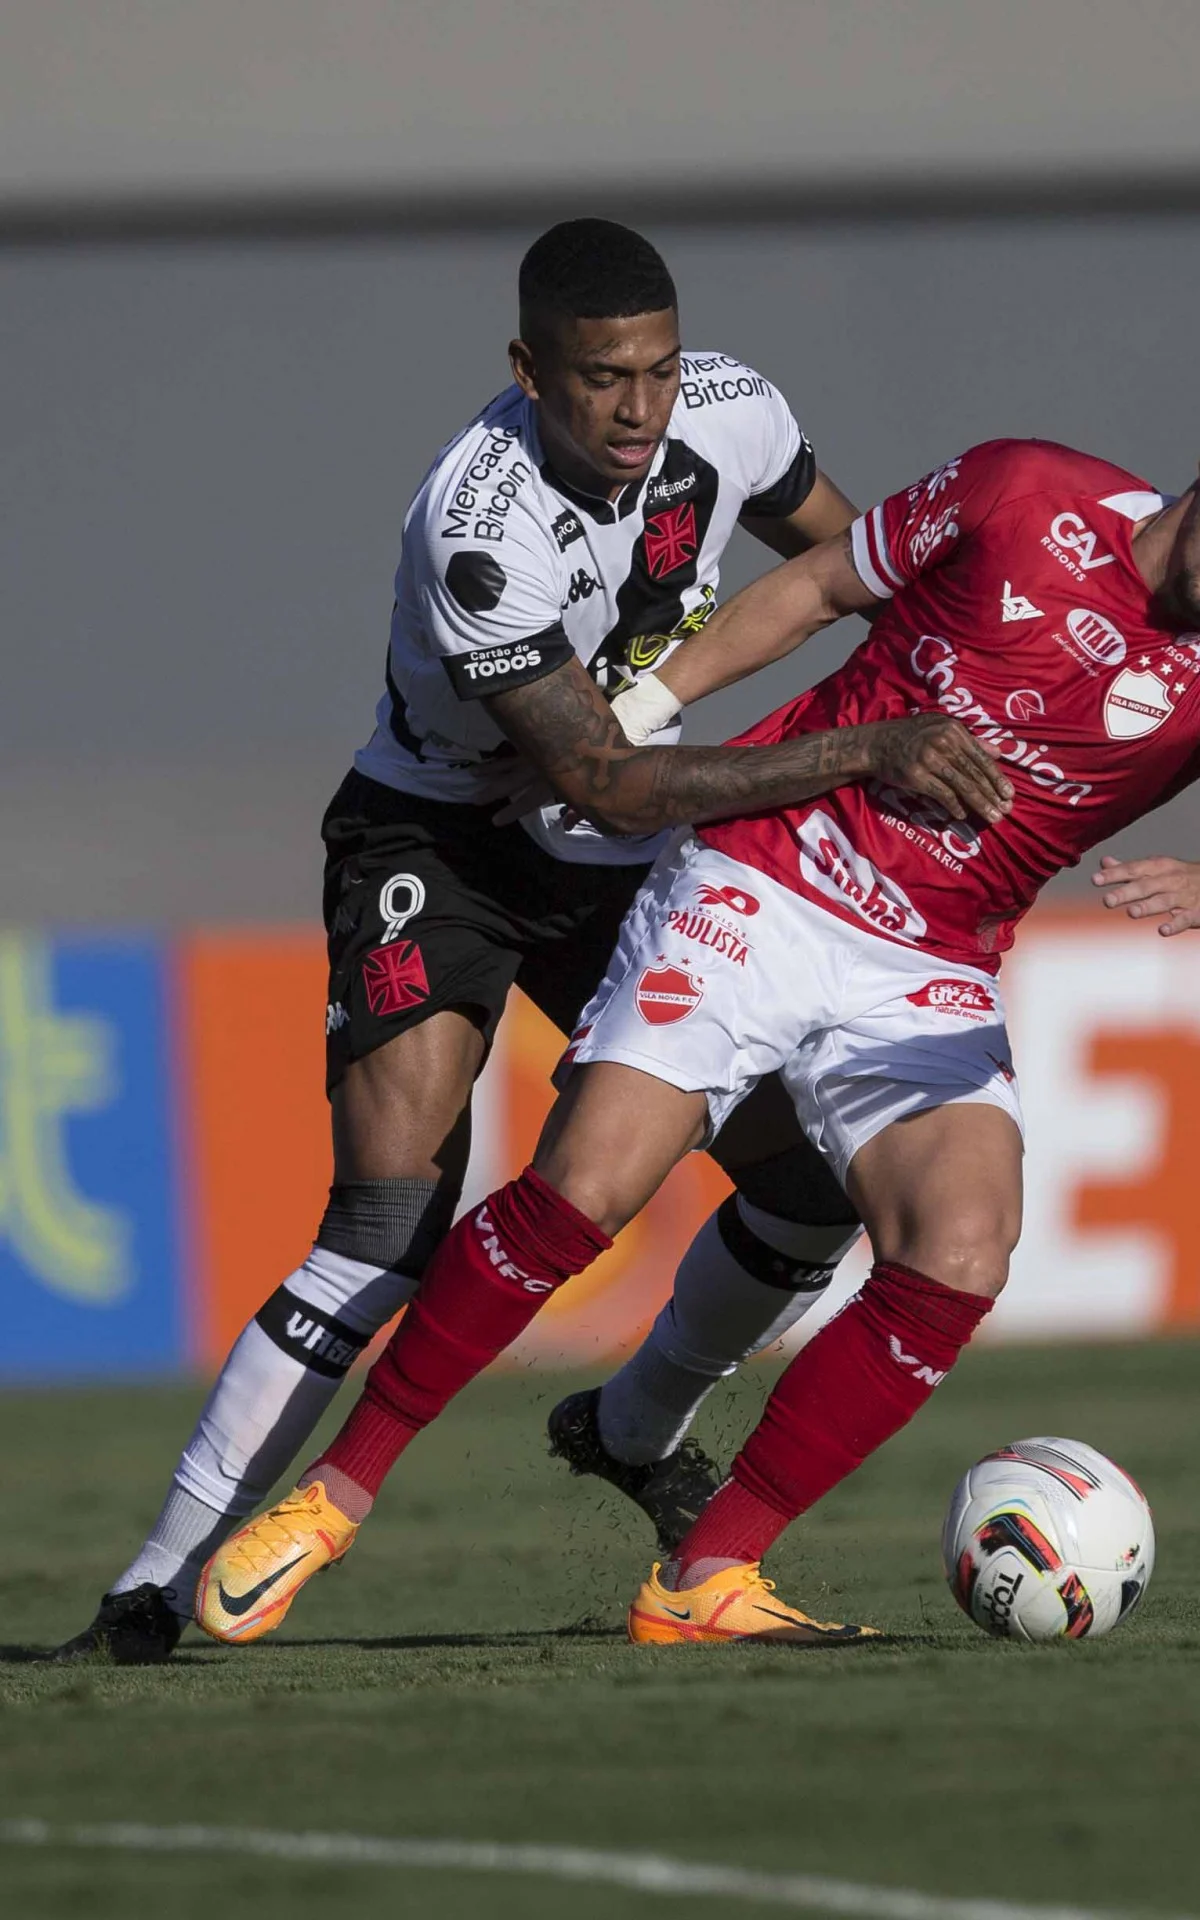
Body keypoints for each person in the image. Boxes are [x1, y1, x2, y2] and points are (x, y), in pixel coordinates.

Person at [56, 219, 1006, 1664]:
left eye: (658, 371)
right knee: (383, 1229)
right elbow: (600, 773)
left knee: (812, 1191)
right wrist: (863, 753)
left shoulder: (734, 413)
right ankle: (148, 1593)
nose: (639, 410)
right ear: (527, 371)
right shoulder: (478, 528)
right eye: (600, 379)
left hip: (621, 864)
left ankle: (632, 1430)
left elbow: (857, 569)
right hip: (443, 850)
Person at [197, 432, 1200, 1648]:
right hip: (763, 879)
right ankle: (334, 1491)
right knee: (590, 1184)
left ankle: (706, 1574)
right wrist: (641, 714)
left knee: (965, 1244)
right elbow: (823, 583)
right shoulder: (1026, 489)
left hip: (930, 967)